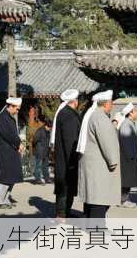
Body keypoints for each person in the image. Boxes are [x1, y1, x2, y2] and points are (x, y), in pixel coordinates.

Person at [77, 90, 121, 219]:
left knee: (92, 197)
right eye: (111, 102)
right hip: (100, 165)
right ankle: (97, 228)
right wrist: (113, 161)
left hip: (93, 164)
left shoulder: (93, 115)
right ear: (106, 103)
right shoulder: (100, 117)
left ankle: (90, 224)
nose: (112, 105)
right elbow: (106, 141)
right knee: (99, 199)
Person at [51, 88, 81, 218]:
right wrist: (74, 159)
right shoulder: (69, 115)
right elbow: (70, 140)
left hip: (64, 158)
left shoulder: (65, 113)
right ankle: (61, 214)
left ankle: (65, 212)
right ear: (75, 101)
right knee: (65, 187)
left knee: (66, 186)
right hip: (67, 159)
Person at [0, 97, 24, 209]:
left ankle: (5, 199)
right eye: (17, 108)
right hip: (6, 151)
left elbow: (14, 135)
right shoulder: (2, 118)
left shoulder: (9, 118)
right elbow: (8, 135)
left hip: (12, 150)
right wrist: (18, 143)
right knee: (5, 176)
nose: (17, 111)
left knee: (11, 176)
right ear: (11, 106)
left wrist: (19, 143)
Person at [118, 102, 137, 208]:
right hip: (127, 158)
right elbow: (126, 141)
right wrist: (131, 157)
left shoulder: (130, 123)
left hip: (129, 157)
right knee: (126, 179)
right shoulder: (126, 124)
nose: (136, 113)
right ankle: (123, 200)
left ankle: (125, 199)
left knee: (128, 179)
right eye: (135, 111)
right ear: (130, 113)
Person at [32, 116, 52, 185]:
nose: (50, 129)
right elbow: (34, 140)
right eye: (49, 127)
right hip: (39, 152)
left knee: (45, 166)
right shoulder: (40, 131)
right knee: (38, 166)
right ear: (46, 125)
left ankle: (47, 178)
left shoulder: (48, 132)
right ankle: (37, 179)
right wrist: (37, 148)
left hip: (46, 152)